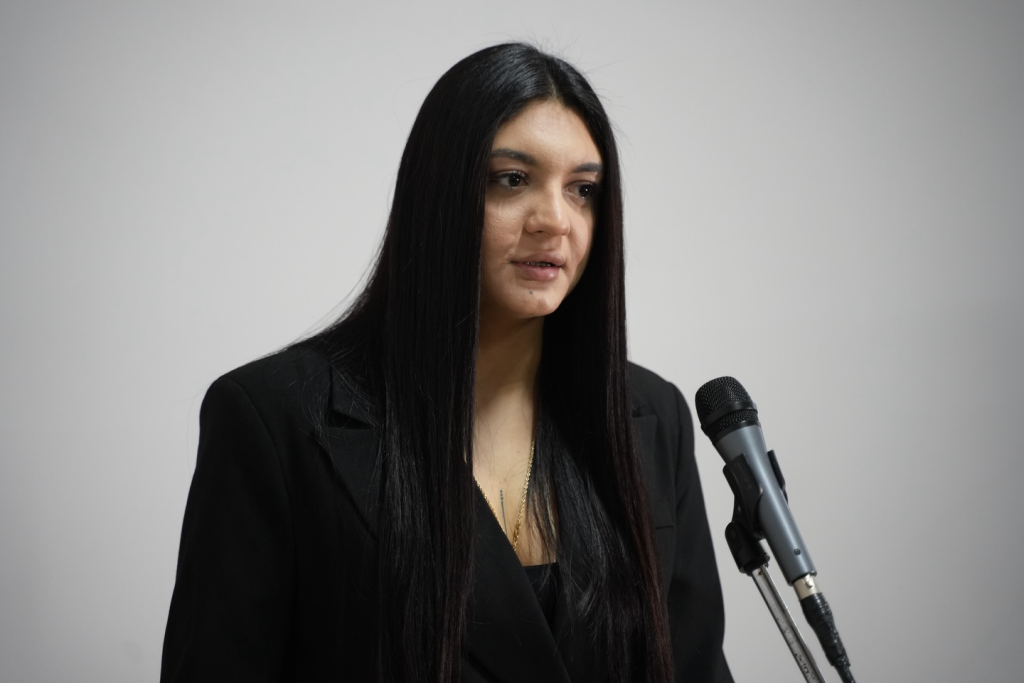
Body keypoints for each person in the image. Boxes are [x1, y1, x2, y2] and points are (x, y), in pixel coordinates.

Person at [161, 43, 733, 683]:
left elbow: (695, 667)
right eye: (511, 179)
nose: (556, 221)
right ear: (438, 192)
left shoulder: (651, 415)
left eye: (583, 190)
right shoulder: (275, 418)